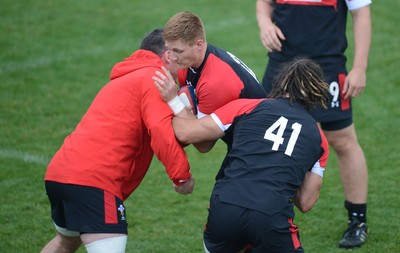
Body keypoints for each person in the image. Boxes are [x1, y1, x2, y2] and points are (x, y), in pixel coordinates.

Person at [40, 28, 194, 253]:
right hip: (94, 183)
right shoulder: (155, 79)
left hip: (60, 175)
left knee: (66, 242)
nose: (185, 67)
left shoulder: (129, 76)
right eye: (181, 56)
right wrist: (181, 177)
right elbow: (161, 133)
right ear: (168, 56)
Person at [157, 58, 330, 252]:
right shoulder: (319, 138)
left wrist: (173, 100)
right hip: (271, 215)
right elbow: (306, 202)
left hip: (226, 206)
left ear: (281, 83)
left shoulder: (246, 106)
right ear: (317, 92)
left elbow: (187, 132)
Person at [256, 0, 371, 248]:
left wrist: (360, 67)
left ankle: (358, 220)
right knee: (268, 139)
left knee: (343, 140)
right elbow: (264, 3)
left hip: (327, 67)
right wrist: (265, 23)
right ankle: (260, 214)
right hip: (282, 64)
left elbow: (361, 14)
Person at [155, 11, 267, 152]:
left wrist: (173, 100)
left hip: (260, 146)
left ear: (199, 45)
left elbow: (203, 144)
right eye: (169, 50)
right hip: (242, 141)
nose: (172, 57)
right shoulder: (188, 64)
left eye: (178, 51)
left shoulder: (214, 82)